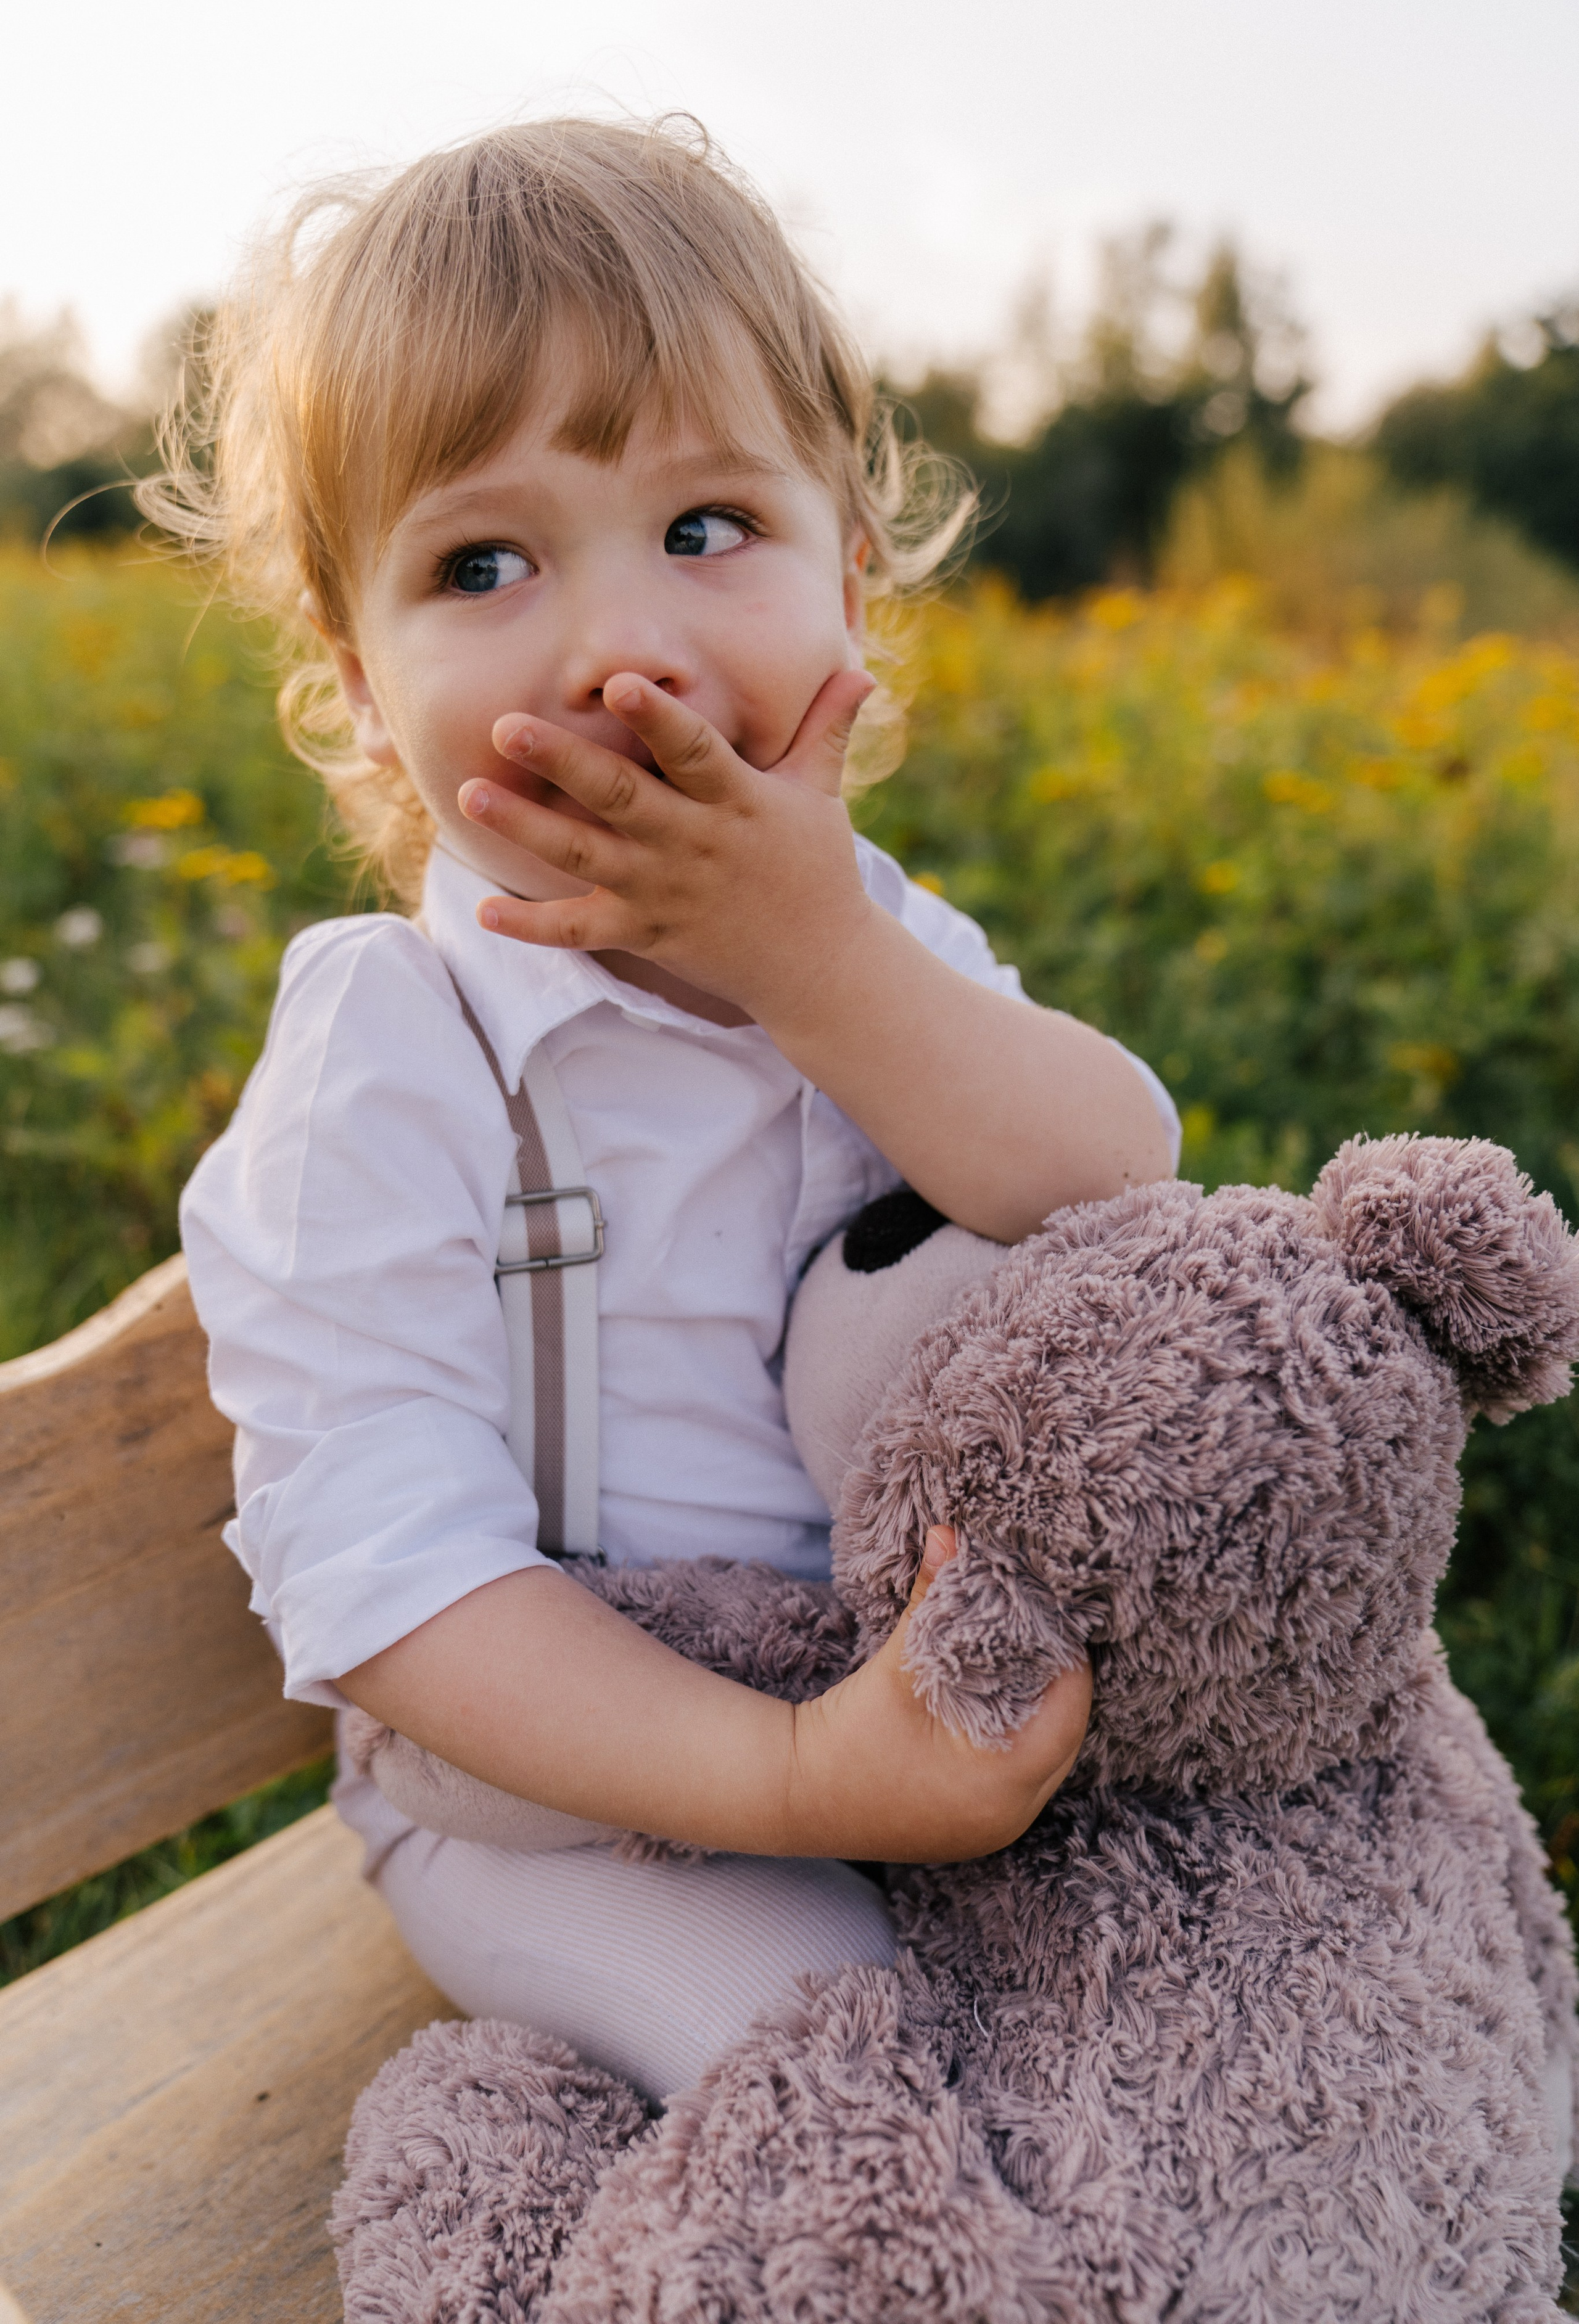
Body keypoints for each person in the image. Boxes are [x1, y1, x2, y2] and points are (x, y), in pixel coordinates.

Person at [167, 117, 1180, 2104]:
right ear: (359, 675)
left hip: (917, 1724)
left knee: (1188, 2049)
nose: (624, 646)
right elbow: (385, 1575)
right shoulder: (402, 1047)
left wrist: (814, 959)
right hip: (573, 1802)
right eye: (483, 561)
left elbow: (1112, 1188)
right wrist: (795, 1776)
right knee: (846, 2074)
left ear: (851, 577)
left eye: (709, 529)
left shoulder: (877, 943)